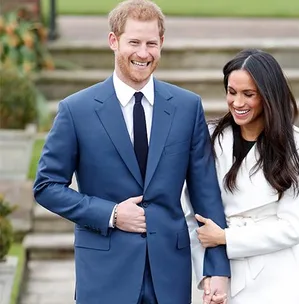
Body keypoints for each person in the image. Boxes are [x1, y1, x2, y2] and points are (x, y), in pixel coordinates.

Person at [33, 1, 230, 303]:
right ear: (114, 41)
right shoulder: (77, 110)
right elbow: (46, 187)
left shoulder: (187, 107)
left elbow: (206, 193)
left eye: (151, 43)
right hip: (104, 274)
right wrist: (110, 214)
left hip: (169, 275)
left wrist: (216, 268)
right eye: (134, 42)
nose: (143, 53)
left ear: (161, 43)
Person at [182, 49, 299, 303]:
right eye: (231, 92)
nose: (237, 102)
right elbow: (194, 215)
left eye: (249, 94)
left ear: (269, 96)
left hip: (282, 276)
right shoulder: (210, 139)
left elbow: (293, 226)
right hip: (227, 274)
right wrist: (209, 274)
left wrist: (226, 237)